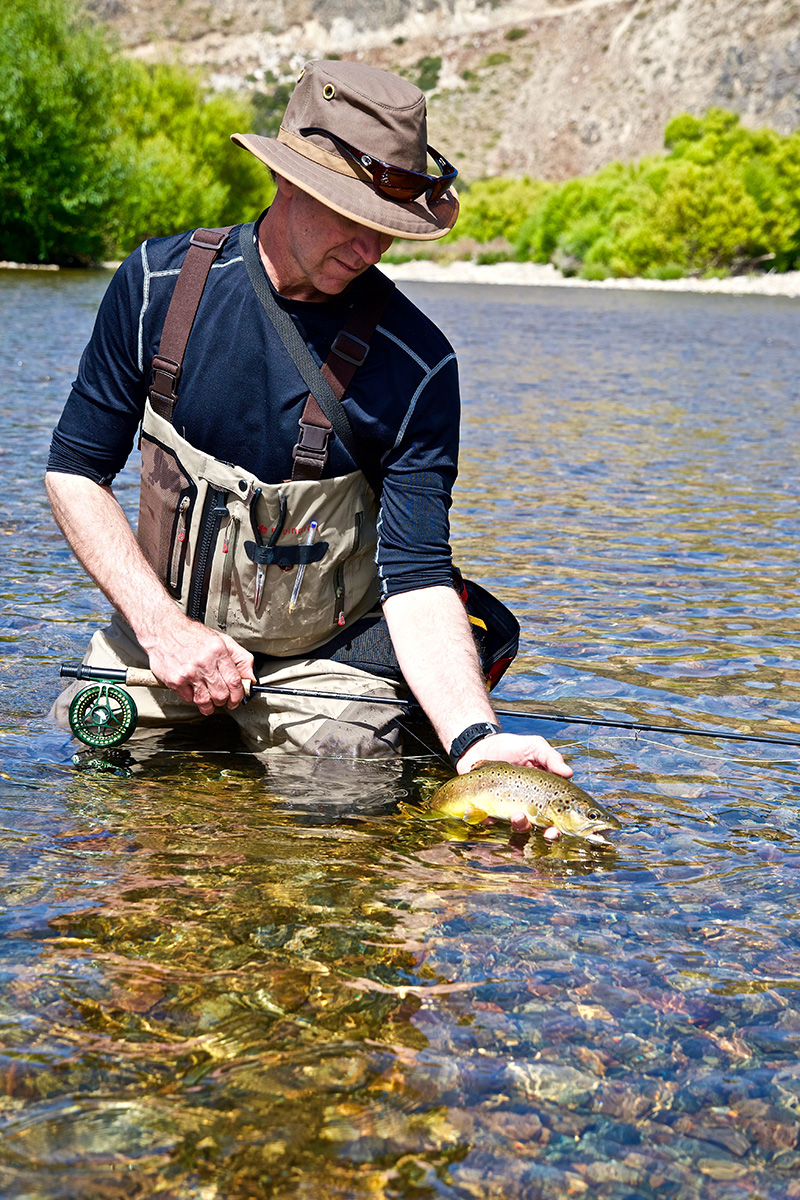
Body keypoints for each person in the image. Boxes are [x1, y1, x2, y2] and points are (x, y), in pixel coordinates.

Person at [46, 58, 571, 784]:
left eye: (387, 229)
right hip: (163, 637)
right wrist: (161, 629)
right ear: (287, 178)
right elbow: (75, 473)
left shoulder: (418, 367)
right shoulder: (155, 288)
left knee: (347, 774)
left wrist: (476, 738)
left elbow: (417, 577)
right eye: (352, 218)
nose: (370, 248)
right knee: (90, 753)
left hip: (326, 665)